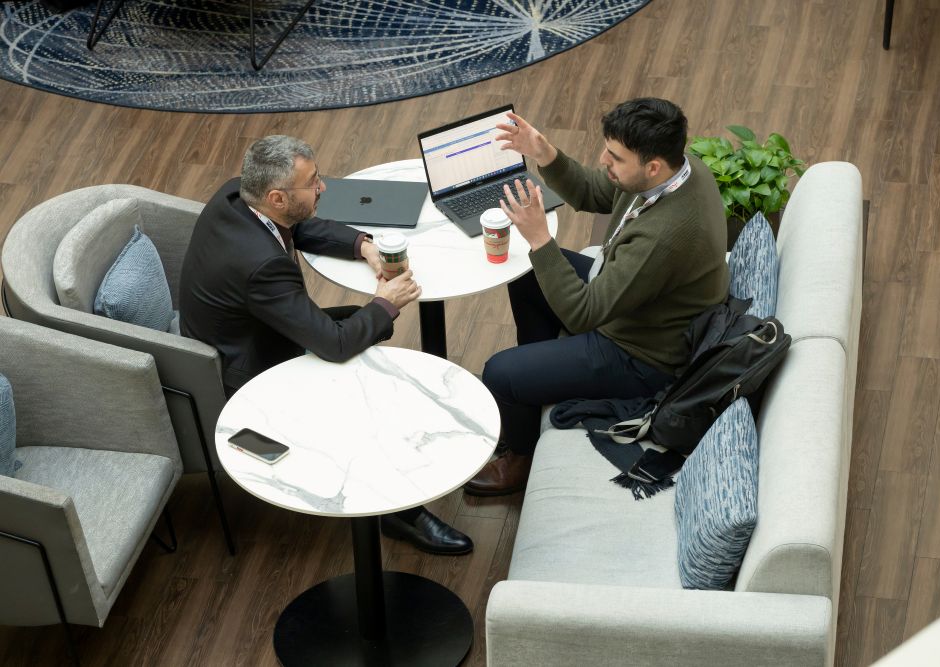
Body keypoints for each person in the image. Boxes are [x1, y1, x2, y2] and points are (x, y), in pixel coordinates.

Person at [180, 135, 473, 554]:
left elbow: (300, 225)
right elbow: (333, 346)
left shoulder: (239, 193)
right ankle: (397, 513)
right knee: (369, 363)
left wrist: (362, 245)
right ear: (278, 196)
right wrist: (386, 303)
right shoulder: (260, 266)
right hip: (254, 370)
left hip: (255, 330)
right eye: (313, 182)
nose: (324, 187)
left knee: (371, 324)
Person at [463, 98, 730, 496]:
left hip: (642, 355)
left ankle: (520, 457)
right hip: (632, 307)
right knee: (525, 276)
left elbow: (584, 313)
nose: (604, 160)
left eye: (615, 157)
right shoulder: (674, 172)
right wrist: (543, 151)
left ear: (652, 166)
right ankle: (534, 385)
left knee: (500, 373)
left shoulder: (664, 238)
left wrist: (540, 238)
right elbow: (594, 192)